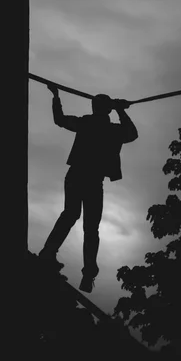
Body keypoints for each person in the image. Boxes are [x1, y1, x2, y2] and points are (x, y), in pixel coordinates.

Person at [39, 83, 138, 293]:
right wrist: (121, 111)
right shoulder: (114, 130)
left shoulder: (86, 123)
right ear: (108, 111)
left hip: (76, 176)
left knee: (70, 214)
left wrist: (56, 97)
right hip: (92, 181)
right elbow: (132, 134)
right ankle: (87, 273)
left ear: (94, 108)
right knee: (90, 228)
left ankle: (49, 252)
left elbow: (60, 120)